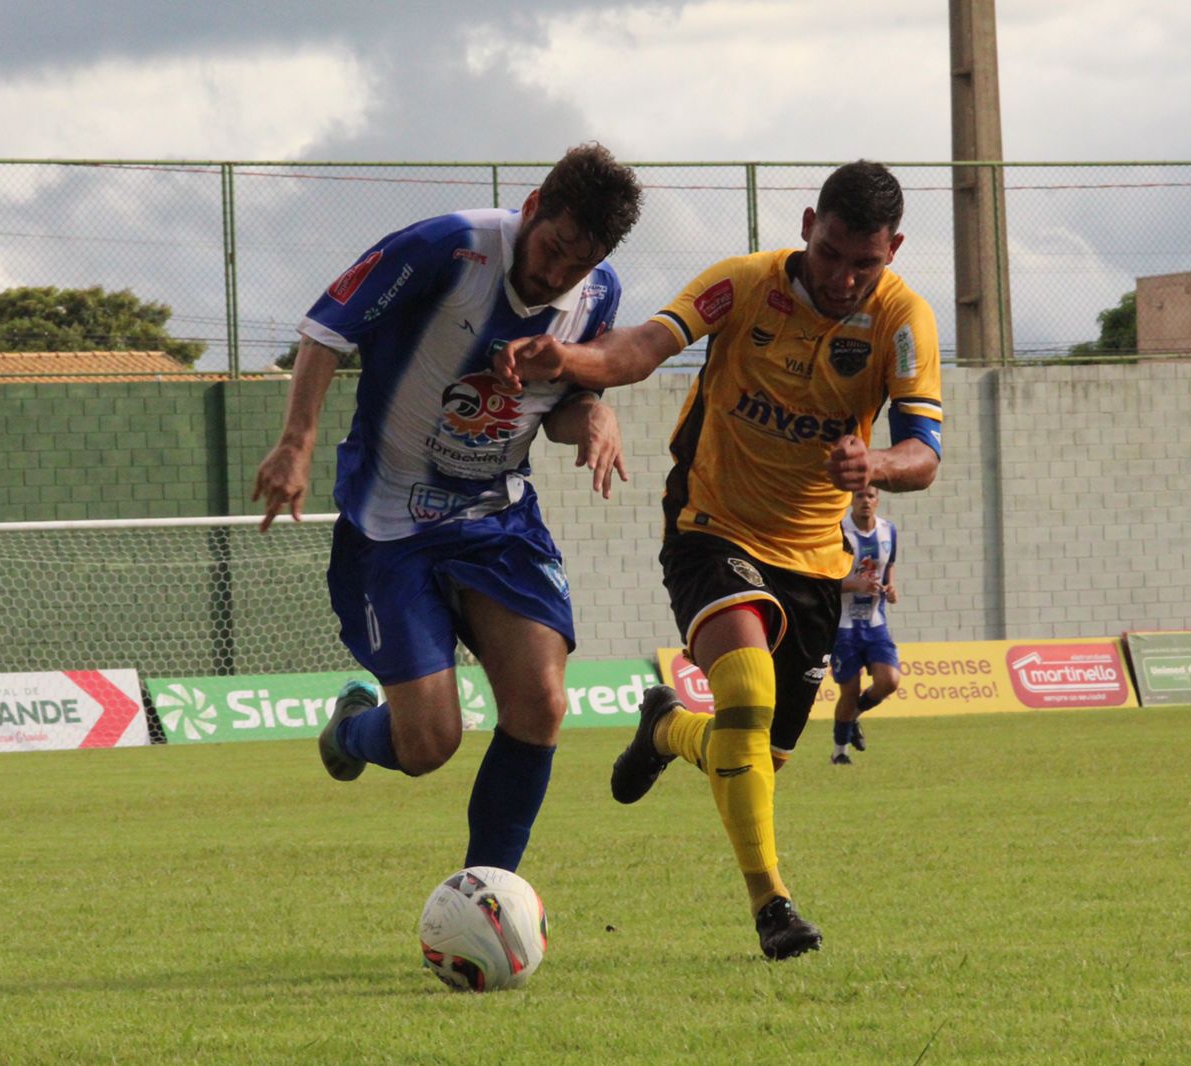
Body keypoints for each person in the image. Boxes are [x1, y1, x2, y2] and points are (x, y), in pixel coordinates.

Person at [494, 160, 943, 958]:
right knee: (744, 687)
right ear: (808, 224)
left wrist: (876, 466)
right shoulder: (742, 284)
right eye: (832, 251)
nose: (843, 277)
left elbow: (923, 452)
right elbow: (639, 348)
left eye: (863, 263)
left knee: (753, 757)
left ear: (893, 250)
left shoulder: (904, 320)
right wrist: (571, 363)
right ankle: (772, 906)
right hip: (713, 523)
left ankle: (668, 728)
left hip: (814, 559)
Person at [252, 143, 644, 874]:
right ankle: (349, 734)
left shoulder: (598, 297)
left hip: (495, 518)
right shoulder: (447, 247)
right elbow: (325, 331)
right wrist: (296, 443)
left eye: (577, 262)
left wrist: (592, 417)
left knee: (541, 706)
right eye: (554, 247)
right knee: (430, 744)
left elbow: (559, 407)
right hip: (391, 522)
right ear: (532, 208)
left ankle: (490, 894)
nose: (556, 273)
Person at [830, 486, 900, 765]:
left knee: (889, 681)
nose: (865, 501)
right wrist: (852, 584)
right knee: (849, 690)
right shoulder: (838, 533)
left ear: (877, 500)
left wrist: (891, 587)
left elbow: (889, 565)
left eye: (870, 496)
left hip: (874, 622)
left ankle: (854, 716)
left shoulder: (888, 531)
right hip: (843, 625)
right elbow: (821, 582)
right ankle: (839, 752)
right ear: (850, 500)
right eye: (859, 496)